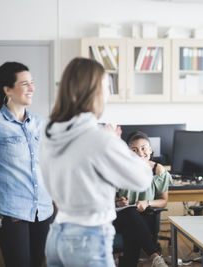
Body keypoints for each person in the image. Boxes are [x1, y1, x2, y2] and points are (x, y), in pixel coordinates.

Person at [39, 57, 153, 267]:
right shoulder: (97, 137)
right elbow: (143, 179)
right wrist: (115, 142)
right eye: (107, 87)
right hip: (88, 238)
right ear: (94, 92)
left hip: (57, 234)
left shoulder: (49, 132)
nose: (109, 93)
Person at [0, 62, 54, 267]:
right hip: (13, 212)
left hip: (44, 210)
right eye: (24, 84)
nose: (32, 88)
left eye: (32, 83)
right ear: (8, 90)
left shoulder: (40, 123)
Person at [114, 131, 171, 267]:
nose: (140, 153)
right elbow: (108, 199)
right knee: (130, 212)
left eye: (144, 148)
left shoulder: (158, 170)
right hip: (120, 217)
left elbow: (163, 201)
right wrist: (118, 202)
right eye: (134, 150)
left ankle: (128, 263)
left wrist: (147, 202)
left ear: (150, 150)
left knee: (132, 231)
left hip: (144, 217)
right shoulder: (118, 170)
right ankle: (155, 257)